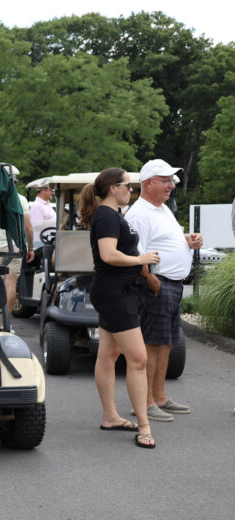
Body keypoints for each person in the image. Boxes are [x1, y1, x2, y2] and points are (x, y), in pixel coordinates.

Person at [80, 168, 160, 448]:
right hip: (115, 294)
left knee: (109, 354)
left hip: (115, 292)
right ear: (113, 188)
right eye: (129, 186)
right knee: (138, 360)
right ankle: (144, 425)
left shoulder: (112, 215)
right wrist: (141, 259)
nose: (132, 190)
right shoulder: (106, 216)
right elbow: (108, 255)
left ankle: (111, 417)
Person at [124, 159, 202, 421]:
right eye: (166, 180)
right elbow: (135, 252)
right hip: (157, 283)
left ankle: (159, 397)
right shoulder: (139, 213)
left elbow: (165, 242)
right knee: (152, 344)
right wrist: (149, 278)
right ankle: (144, 402)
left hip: (170, 283)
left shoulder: (162, 209)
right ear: (148, 183)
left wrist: (188, 241)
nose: (172, 186)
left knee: (166, 343)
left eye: (172, 181)